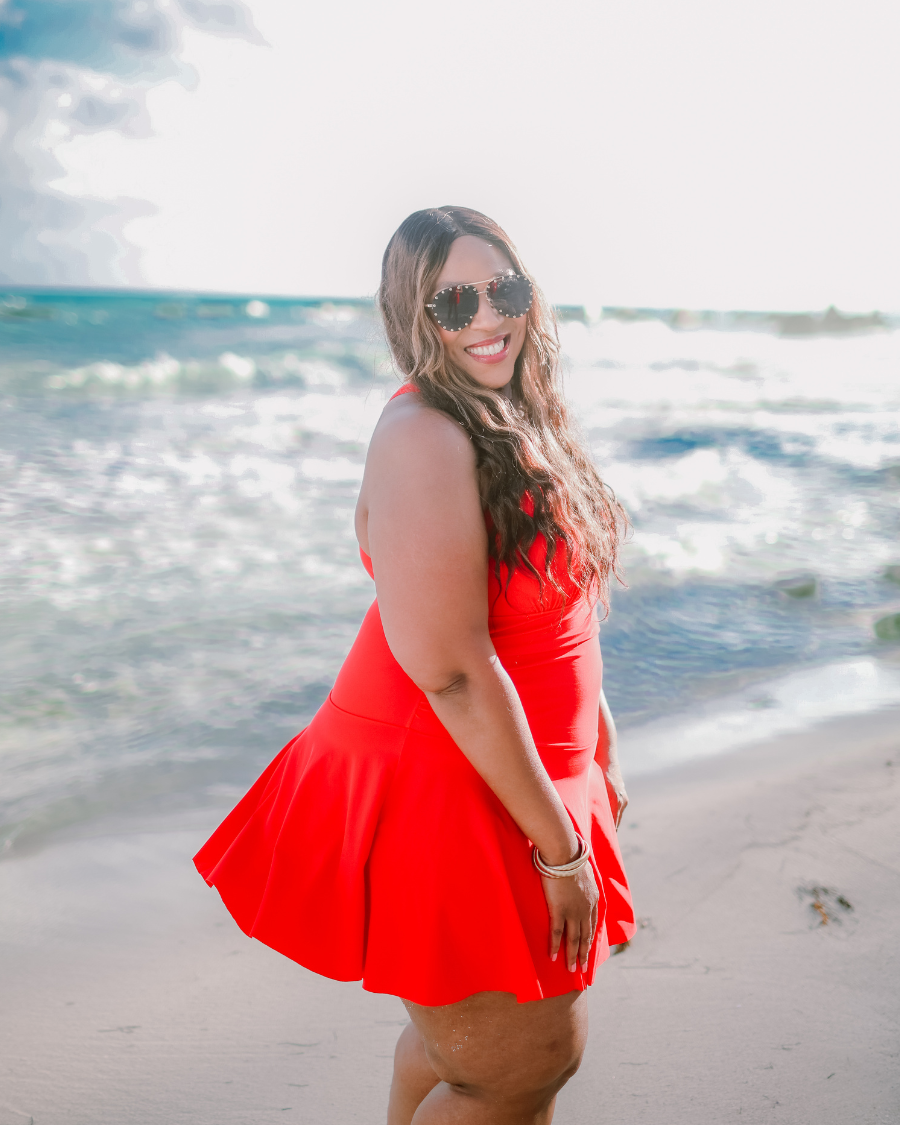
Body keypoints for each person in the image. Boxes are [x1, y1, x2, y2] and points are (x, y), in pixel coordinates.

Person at [194, 206, 636, 1124]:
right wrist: (561, 851)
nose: (487, 317)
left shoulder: (508, 412)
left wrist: (599, 749)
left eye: (503, 289)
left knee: (469, 1052)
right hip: (457, 785)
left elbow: (557, 615)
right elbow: (453, 671)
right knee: (517, 1067)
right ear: (412, 319)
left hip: (522, 772)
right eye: (453, 301)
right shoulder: (426, 436)